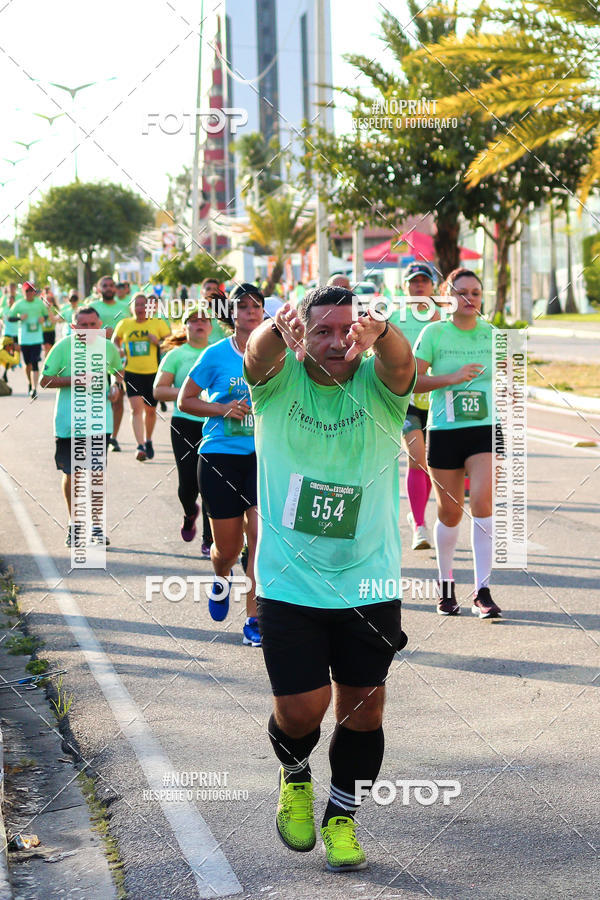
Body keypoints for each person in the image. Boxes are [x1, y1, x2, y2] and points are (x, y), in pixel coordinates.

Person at [243, 285, 415, 873]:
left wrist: (384, 334)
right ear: (302, 336)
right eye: (322, 331)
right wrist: (274, 330)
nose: (338, 341)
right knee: (301, 712)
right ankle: (295, 774)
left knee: (362, 712)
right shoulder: (279, 386)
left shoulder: (377, 387)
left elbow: (401, 364)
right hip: (290, 581)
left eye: (348, 329)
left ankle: (342, 818)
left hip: (369, 583)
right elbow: (255, 360)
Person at [178, 283, 264, 648]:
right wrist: (221, 408)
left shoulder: (279, 353)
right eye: (242, 306)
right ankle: (221, 575)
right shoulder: (216, 354)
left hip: (263, 454)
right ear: (232, 314)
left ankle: (254, 619)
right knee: (227, 548)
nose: (250, 311)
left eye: (256, 305)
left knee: (261, 539)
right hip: (220, 455)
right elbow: (185, 400)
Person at [413, 267, 501, 619]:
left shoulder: (493, 334)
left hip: (485, 429)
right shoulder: (434, 333)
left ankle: (483, 590)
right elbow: (413, 382)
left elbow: (510, 376)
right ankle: (446, 586)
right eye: (462, 293)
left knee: (482, 501)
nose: (469, 299)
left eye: (476, 293)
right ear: (449, 296)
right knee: (449, 512)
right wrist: (452, 377)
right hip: (445, 430)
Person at [40, 307, 124, 546]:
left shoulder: (108, 348)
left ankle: (97, 526)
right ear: (74, 327)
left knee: (96, 474)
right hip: (69, 423)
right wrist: (75, 379)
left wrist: (116, 387)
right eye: (82, 325)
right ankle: (75, 525)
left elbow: (117, 371)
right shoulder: (63, 347)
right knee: (73, 475)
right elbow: (44, 381)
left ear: (99, 326)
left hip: (99, 422)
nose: (87, 330)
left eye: (92, 325)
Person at [153, 305, 213, 553]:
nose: (199, 324)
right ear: (185, 326)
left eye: (204, 320)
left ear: (211, 327)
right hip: (185, 423)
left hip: (214, 423)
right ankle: (190, 512)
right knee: (188, 484)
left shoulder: (217, 352)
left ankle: (210, 540)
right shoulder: (176, 356)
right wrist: (190, 394)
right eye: (193, 320)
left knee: (211, 483)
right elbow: (158, 390)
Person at [393, 262, 441, 551]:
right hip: (407, 400)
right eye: (413, 282)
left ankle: (418, 516)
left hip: (438, 400)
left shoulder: (444, 320)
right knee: (416, 458)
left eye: (424, 281)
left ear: (433, 287)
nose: (419, 286)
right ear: (404, 287)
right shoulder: (395, 319)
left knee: (434, 465)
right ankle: (420, 526)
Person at [113, 293, 171, 460]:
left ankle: (148, 440)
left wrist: (157, 343)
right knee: (136, 409)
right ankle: (140, 446)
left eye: (143, 305)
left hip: (153, 373)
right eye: (137, 305)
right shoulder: (125, 324)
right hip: (131, 372)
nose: (140, 308)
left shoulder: (157, 324)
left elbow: (170, 343)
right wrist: (119, 350)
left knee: (150, 410)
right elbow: (115, 340)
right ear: (132, 308)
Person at [91, 276, 130, 451]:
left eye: (111, 285)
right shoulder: (93, 308)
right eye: (104, 285)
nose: (108, 288)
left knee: (118, 398)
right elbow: (82, 332)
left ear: (115, 288)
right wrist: (101, 334)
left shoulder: (124, 308)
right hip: (96, 360)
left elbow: (129, 331)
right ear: (99, 289)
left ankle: (113, 437)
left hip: (118, 360)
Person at [11, 281, 47, 398]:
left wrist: (43, 318)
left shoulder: (39, 303)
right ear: (23, 292)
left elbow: (46, 315)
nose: (30, 293)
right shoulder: (19, 304)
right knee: (28, 364)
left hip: (37, 338)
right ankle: (30, 382)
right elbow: (10, 317)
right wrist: (19, 318)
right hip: (24, 338)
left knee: (35, 363)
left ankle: (34, 388)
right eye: (27, 291)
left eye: (32, 290)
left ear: (34, 291)